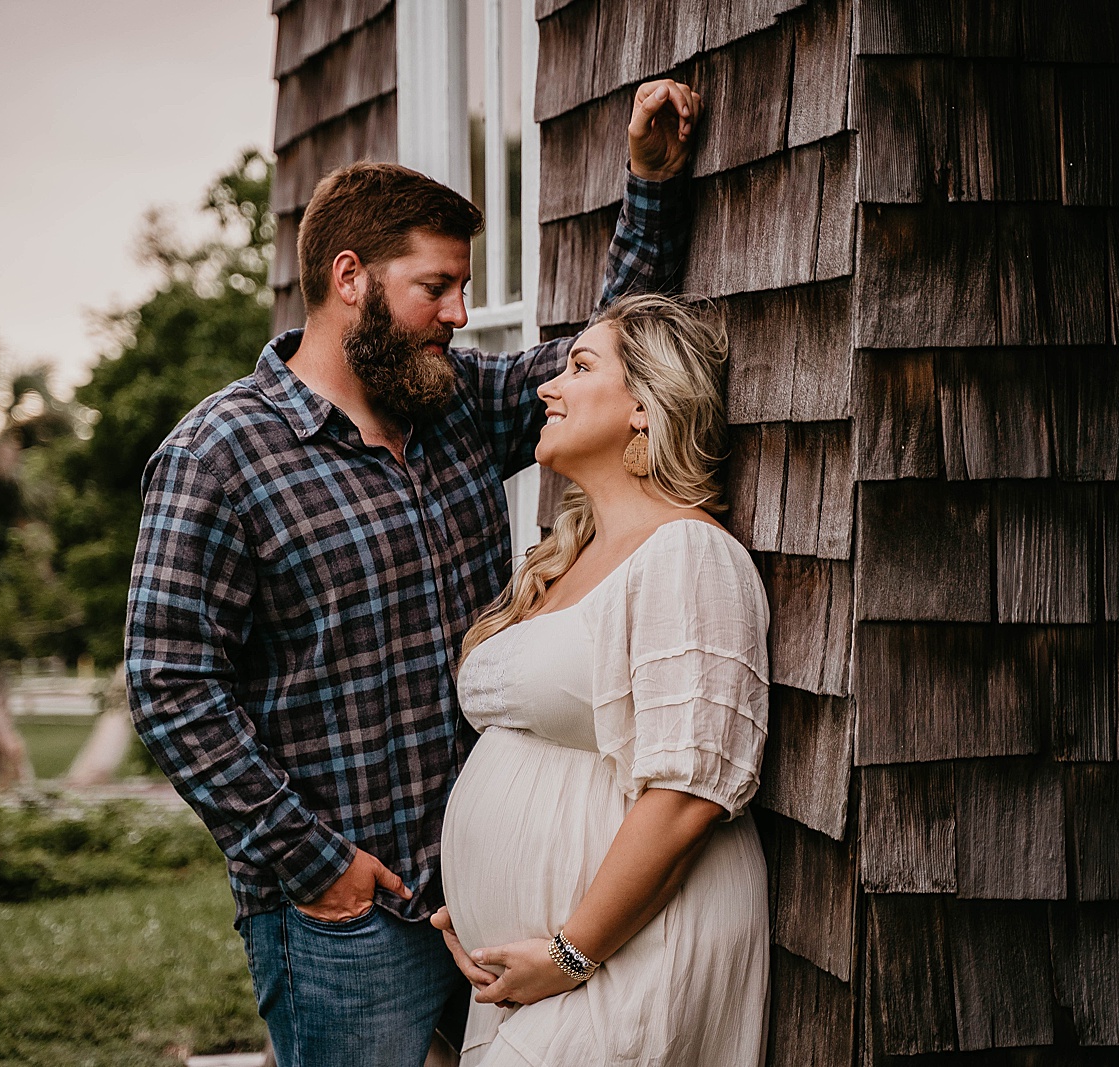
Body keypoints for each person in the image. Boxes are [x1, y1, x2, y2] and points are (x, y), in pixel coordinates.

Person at [125, 78, 703, 1067]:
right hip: (351, 924)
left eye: (462, 287)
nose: (459, 312)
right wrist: (320, 865)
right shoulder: (217, 455)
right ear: (349, 277)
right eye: (435, 287)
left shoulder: (455, 404)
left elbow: (604, 366)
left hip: (488, 898)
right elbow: (169, 685)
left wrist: (649, 184)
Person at [432, 292, 771, 1066]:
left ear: (645, 407)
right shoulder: (565, 556)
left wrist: (570, 951)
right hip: (533, 968)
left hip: (629, 959)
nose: (549, 386)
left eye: (579, 366)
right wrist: (479, 906)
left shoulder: (689, 555)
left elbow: (687, 794)